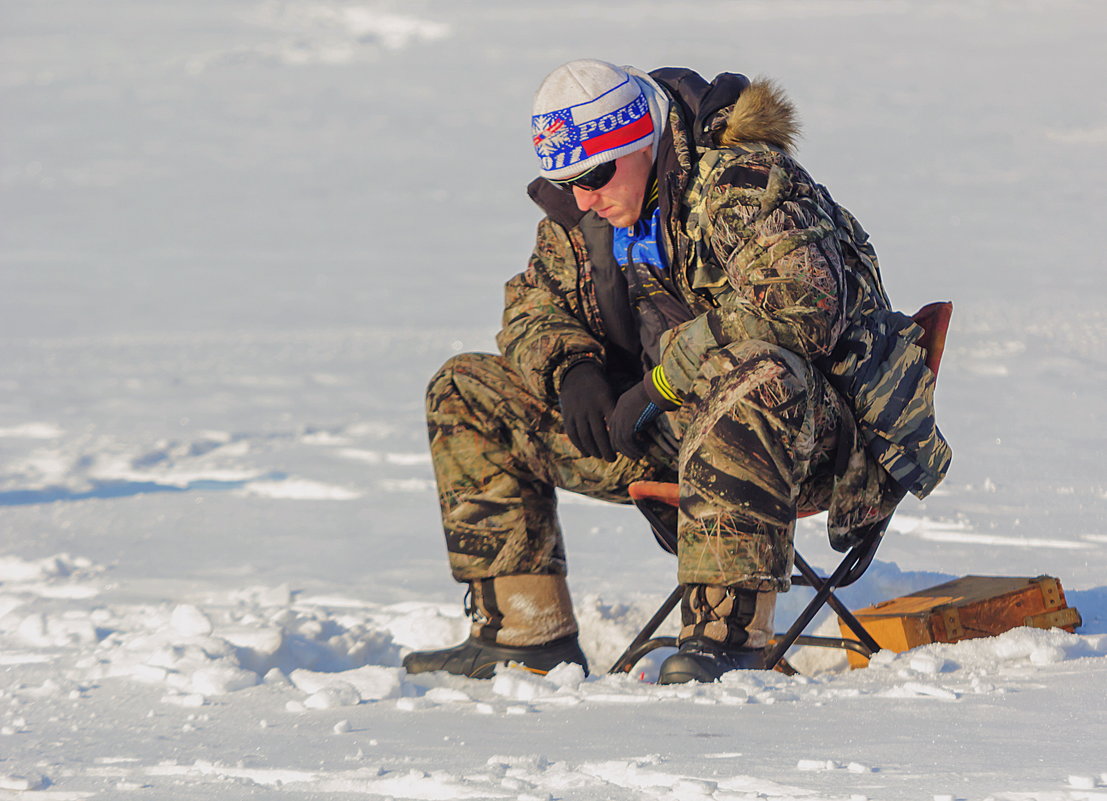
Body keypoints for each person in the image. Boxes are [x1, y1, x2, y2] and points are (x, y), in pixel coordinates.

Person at [403, 60, 951, 684]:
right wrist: (572, 369)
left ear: (640, 142)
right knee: (465, 389)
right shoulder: (587, 213)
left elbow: (804, 303)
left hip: (812, 442)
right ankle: (525, 633)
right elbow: (531, 305)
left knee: (751, 371)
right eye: (566, 181)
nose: (584, 196)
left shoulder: (743, 182)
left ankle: (727, 634)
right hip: (667, 430)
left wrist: (662, 381)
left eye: (594, 175)